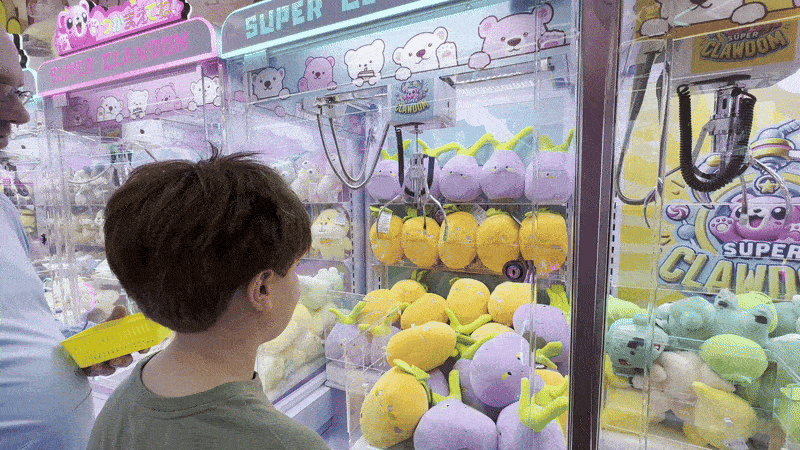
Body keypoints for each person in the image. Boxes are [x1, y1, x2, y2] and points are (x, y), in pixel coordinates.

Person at [87, 149, 330, 450]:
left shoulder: (118, 410)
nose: (299, 282)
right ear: (262, 290)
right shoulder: (290, 444)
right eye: (296, 268)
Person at [0, 32, 134, 450]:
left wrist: (74, 344)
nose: (21, 115)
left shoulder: (3, 211)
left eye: (17, 91)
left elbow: (16, 325)